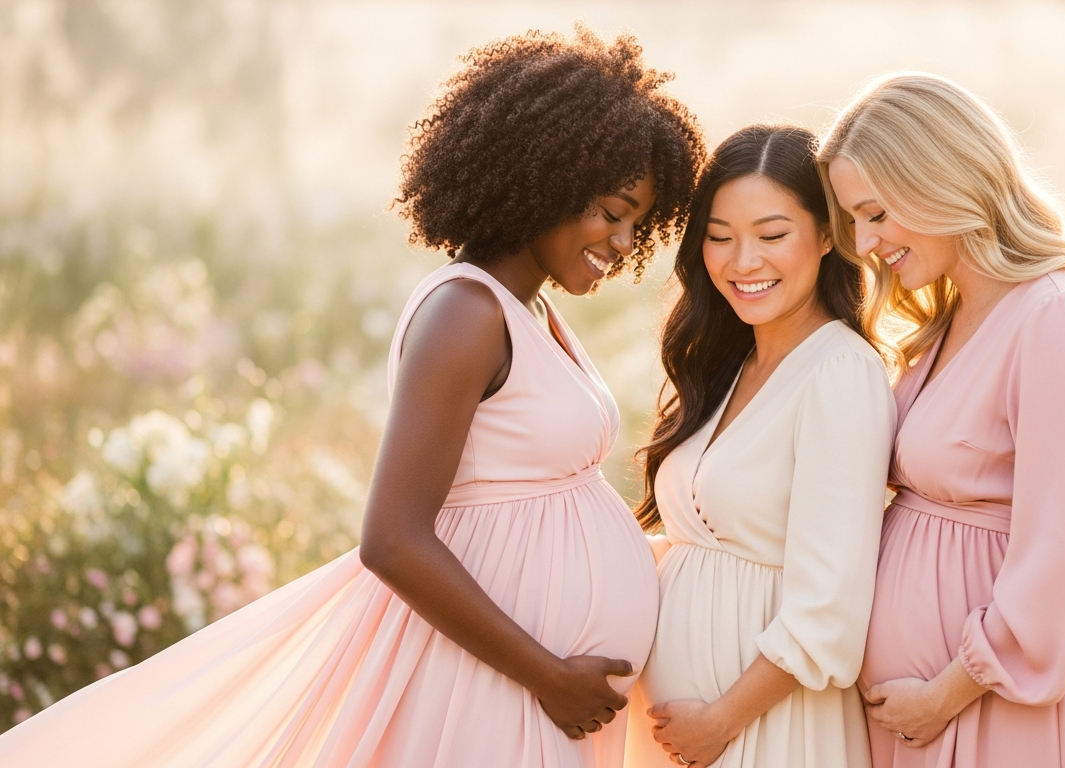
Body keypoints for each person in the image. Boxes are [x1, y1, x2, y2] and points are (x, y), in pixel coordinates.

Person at [0, 26, 705, 768]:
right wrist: (548, 674)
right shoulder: (466, 315)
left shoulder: (529, 310)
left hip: (543, 688)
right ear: (546, 177)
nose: (624, 241)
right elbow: (393, 537)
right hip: (502, 683)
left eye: (636, 221)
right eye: (609, 210)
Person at [819, 72, 1065, 768]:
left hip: (1003, 709)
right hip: (926, 718)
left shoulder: (1056, 316)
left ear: (941, 180)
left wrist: (947, 691)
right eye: (852, 219)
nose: (864, 240)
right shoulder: (946, 324)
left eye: (877, 213)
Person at [625, 125, 895, 768]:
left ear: (828, 235)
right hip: (685, 733)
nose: (742, 261)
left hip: (767, 730)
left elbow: (830, 604)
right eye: (720, 237)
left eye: (772, 235)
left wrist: (720, 722)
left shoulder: (840, 372)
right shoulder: (730, 364)